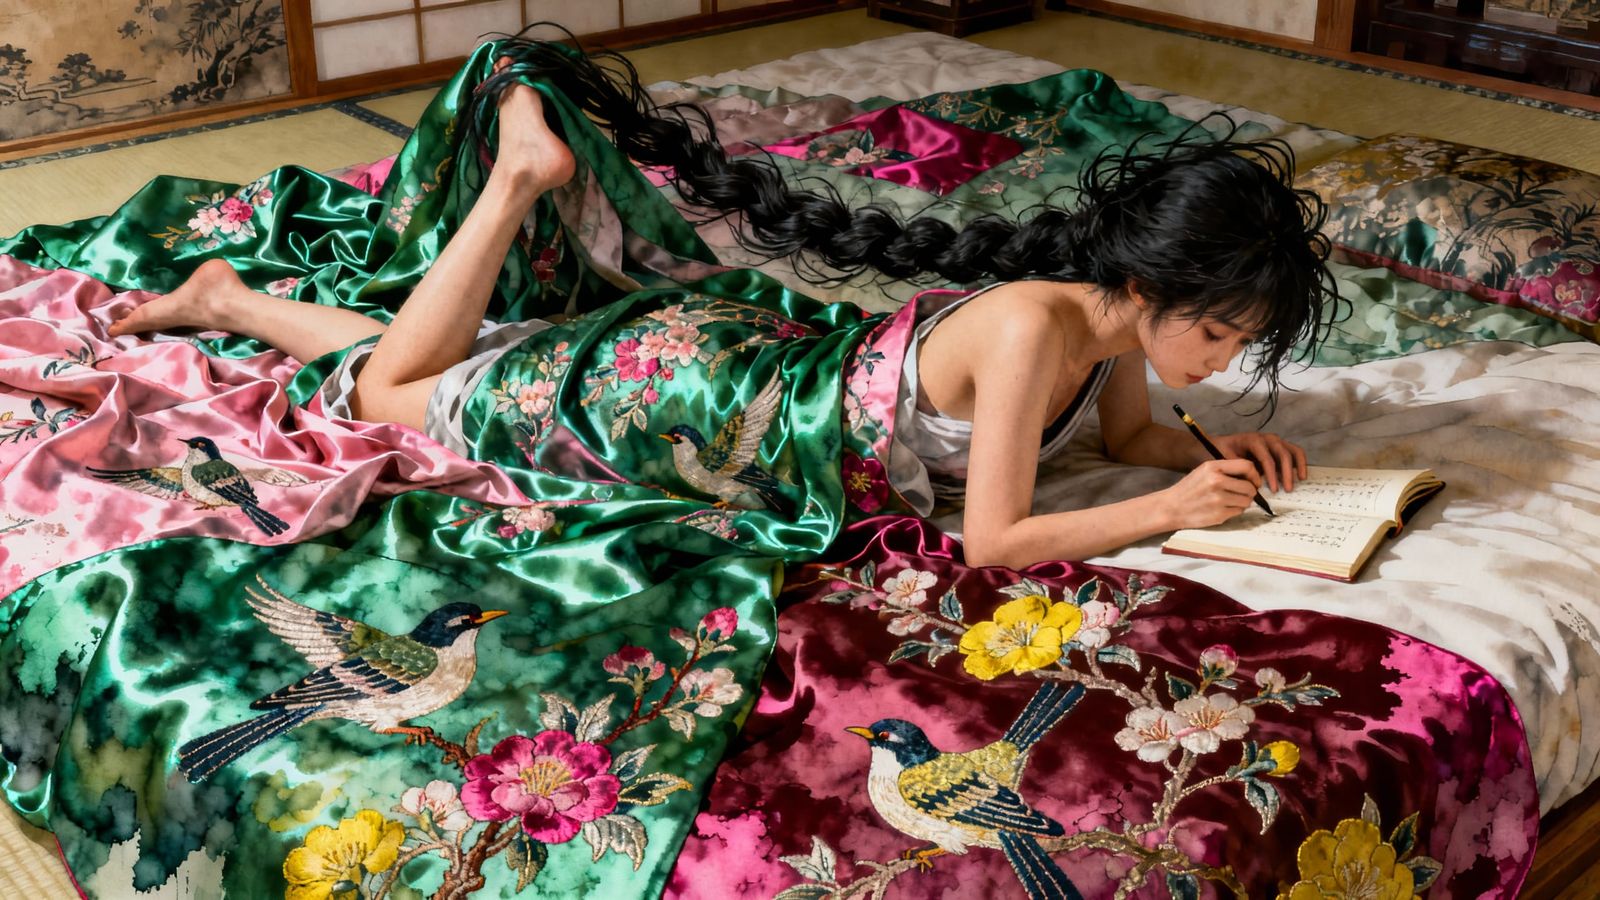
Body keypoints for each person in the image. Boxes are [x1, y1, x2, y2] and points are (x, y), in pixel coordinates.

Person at [107, 35, 1339, 570]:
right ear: (1146, 285)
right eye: (1218, 332)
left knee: (467, 358)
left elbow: (1128, 440)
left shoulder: (1116, 324)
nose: (1220, 358)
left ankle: (227, 299)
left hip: (758, 364)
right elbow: (994, 541)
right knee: (397, 394)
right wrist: (1169, 512)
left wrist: (1211, 454)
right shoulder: (1033, 324)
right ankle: (518, 177)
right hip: (706, 400)